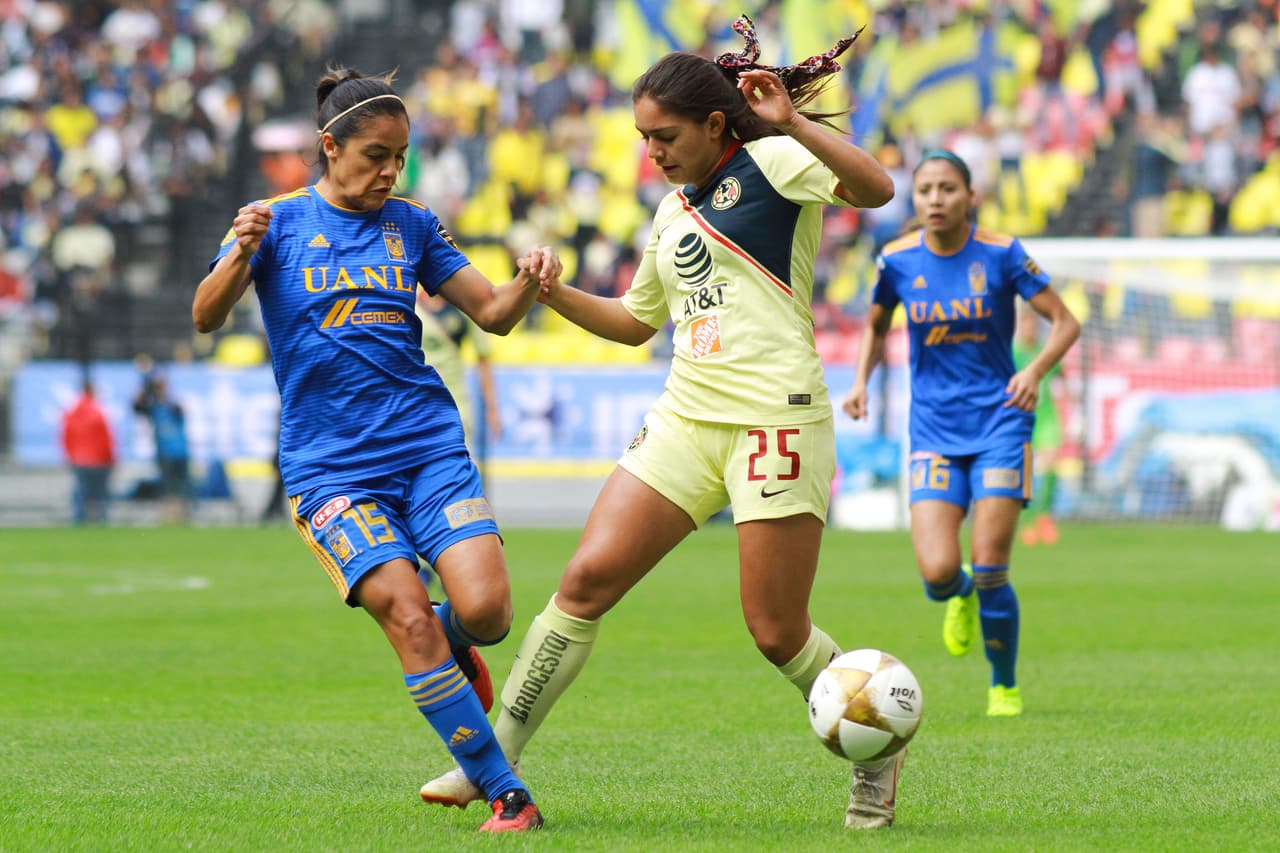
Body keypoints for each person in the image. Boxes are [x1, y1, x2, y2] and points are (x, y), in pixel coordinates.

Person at [421, 16, 905, 830]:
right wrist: (552, 291)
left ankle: (879, 742)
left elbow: (878, 190)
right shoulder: (672, 212)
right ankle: (490, 764)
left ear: (717, 124)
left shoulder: (778, 162)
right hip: (685, 417)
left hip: (774, 420)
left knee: (776, 631)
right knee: (582, 584)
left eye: (666, 135)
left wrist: (789, 121)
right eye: (643, 138)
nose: (652, 153)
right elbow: (636, 322)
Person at [191, 66, 562, 833]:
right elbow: (204, 315)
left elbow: (491, 312)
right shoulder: (274, 223)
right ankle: (506, 791)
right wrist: (238, 253)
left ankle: (451, 637)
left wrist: (529, 280)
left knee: (487, 612)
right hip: (331, 470)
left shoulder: (413, 224)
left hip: (426, 449)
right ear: (330, 147)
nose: (391, 171)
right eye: (376, 155)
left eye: (400, 156)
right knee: (409, 622)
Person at [841, 150, 1080, 718]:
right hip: (932, 429)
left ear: (970, 196)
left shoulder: (1002, 254)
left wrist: (1033, 370)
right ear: (915, 198)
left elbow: (1066, 322)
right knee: (938, 571)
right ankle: (960, 595)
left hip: (1000, 420)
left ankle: (1003, 684)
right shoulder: (896, 261)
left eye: (948, 188)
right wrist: (860, 384)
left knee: (992, 562)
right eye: (925, 190)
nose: (935, 199)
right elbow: (877, 326)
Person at [416, 290, 502, 457]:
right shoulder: (412, 305)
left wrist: (492, 409)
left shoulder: (463, 306)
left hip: (456, 399)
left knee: (460, 461)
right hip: (419, 401)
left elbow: (483, 358)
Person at [1013, 304, 1067, 546]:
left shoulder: (1045, 353)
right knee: (1024, 473)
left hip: (1046, 418)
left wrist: (1073, 413)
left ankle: (1044, 518)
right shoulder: (1012, 354)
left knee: (1050, 466)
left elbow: (1062, 379)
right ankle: (1027, 522)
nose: (1029, 329)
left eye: (1033, 325)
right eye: (1025, 325)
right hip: (1020, 418)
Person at [132, 370, 191, 524]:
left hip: (179, 452)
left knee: (181, 487)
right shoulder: (154, 407)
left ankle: (181, 517)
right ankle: (169, 517)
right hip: (164, 453)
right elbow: (137, 406)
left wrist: (159, 394)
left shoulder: (172, 406)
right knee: (167, 487)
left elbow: (178, 410)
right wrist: (145, 385)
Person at [61, 377, 115, 525]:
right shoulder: (98, 412)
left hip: (79, 458)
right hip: (99, 458)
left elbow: (66, 437)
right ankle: (102, 520)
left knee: (81, 490)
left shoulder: (72, 412)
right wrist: (110, 458)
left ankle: (79, 520)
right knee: (101, 492)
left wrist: (70, 456)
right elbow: (106, 438)